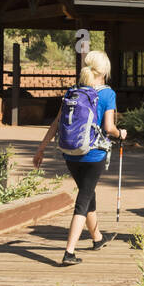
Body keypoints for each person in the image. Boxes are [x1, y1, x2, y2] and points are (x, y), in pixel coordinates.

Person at [33, 49, 127, 265]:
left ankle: (97, 238)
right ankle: (69, 252)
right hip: (94, 154)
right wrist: (121, 134)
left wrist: (41, 149)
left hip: (70, 153)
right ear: (104, 71)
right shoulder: (107, 94)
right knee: (83, 200)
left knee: (87, 191)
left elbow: (56, 123)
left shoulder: (72, 91)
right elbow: (109, 127)